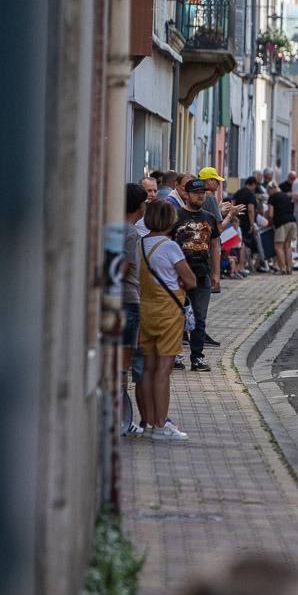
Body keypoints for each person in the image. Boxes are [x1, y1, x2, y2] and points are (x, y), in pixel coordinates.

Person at [138, 199, 197, 440]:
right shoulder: (170, 246)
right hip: (168, 311)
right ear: (170, 220)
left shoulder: (140, 244)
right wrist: (181, 281)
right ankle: (162, 425)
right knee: (164, 370)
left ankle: (149, 422)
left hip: (145, 309)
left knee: (148, 369)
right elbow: (191, 280)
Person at [173, 179, 220, 371]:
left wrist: (216, 273)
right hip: (178, 276)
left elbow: (214, 246)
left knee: (199, 318)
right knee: (177, 316)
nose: (200, 196)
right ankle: (175, 355)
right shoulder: (176, 216)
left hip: (202, 274)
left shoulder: (209, 217)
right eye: (196, 193)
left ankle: (197, 357)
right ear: (186, 194)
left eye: (203, 193)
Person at [122, 183, 148, 434]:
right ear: (141, 207)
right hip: (129, 301)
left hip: (124, 301)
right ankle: (122, 419)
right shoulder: (130, 234)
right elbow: (123, 269)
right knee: (124, 364)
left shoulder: (119, 229)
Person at [268, 181, 297, 274]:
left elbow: (270, 214)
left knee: (278, 246)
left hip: (281, 223)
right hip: (292, 221)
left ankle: (283, 268)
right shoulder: (286, 196)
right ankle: (289, 268)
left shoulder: (272, 197)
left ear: (270, 189)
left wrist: (270, 223)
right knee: (288, 246)